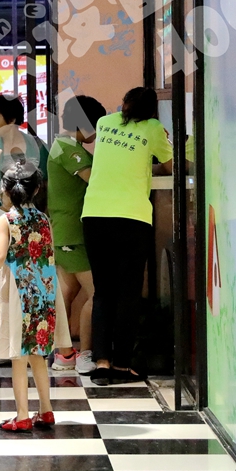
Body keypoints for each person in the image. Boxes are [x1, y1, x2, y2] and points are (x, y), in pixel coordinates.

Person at [82, 86, 173, 386]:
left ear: (124, 103)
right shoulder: (153, 128)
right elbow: (172, 165)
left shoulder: (104, 123)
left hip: (94, 215)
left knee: (103, 292)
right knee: (128, 294)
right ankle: (122, 364)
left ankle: (101, 362)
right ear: (152, 111)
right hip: (132, 218)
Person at [0, 162, 65, 431]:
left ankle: (22, 415)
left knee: (18, 357)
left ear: (4, 189)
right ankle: (46, 410)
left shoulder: (7, 220)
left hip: (19, 292)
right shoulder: (43, 219)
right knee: (38, 355)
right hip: (44, 291)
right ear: (36, 189)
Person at [46, 95, 105, 374]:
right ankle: (84, 353)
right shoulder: (68, 148)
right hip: (73, 233)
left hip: (65, 231)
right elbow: (95, 179)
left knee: (66, 293)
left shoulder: (65, 146)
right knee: (98, 293)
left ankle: (64, 353)